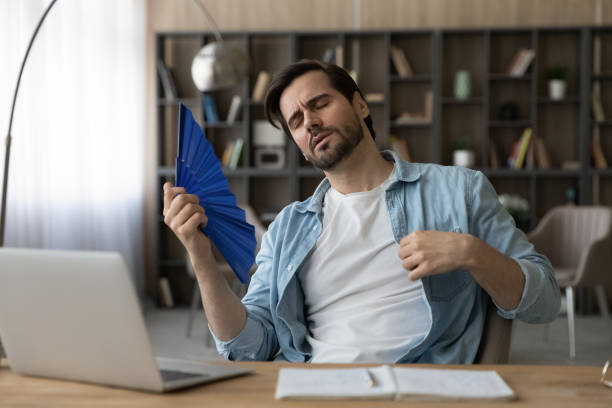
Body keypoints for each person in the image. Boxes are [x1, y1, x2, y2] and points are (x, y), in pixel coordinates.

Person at [163, 60, 560, 364]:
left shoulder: (460, 191)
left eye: (320, 104)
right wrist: (200, 255)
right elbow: (250, 346)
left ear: (360, 105)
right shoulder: (288, 227)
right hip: (316, 387)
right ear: (298, 144)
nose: (311, 123)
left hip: (417, 387)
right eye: (297, 121)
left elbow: (544, 301)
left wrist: (472, 254)